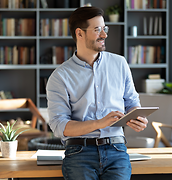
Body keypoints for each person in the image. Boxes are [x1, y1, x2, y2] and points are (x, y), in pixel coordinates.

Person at [46, 6, 148, 180]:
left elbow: (131, 102)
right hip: (79, 152)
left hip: (116, 149)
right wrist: (99, 123)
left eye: (104, 28)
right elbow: (59, 126)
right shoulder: (60, 76)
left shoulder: (120, 64)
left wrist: (137, 117)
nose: (104, 35)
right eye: (97, 29)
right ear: (80, 33)